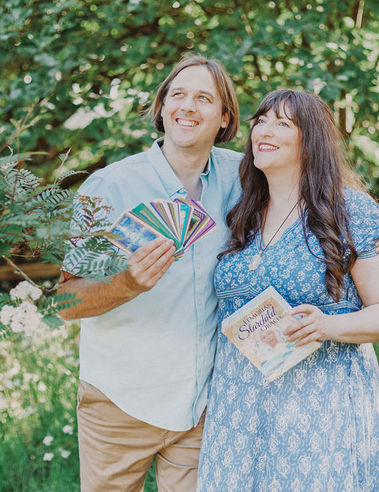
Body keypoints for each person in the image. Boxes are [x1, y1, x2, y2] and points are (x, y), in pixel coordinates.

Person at [58, 55, 242, 491]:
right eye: (177, 94)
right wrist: (127, 283)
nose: (188, 106)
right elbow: (66, 304)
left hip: (202, 403)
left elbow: (313, 186)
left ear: (224, 118)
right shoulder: (108, 187)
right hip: (121, 401)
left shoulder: (244, 176)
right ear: (161, 108)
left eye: (204, 98)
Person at [197, 89, 379, 491]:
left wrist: (327, 326)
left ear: (310, 140)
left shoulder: (350, 210)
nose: (264, 128)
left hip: (319, 409)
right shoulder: (240, 212)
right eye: (260, 120)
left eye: (283, 122)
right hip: (238, 408)